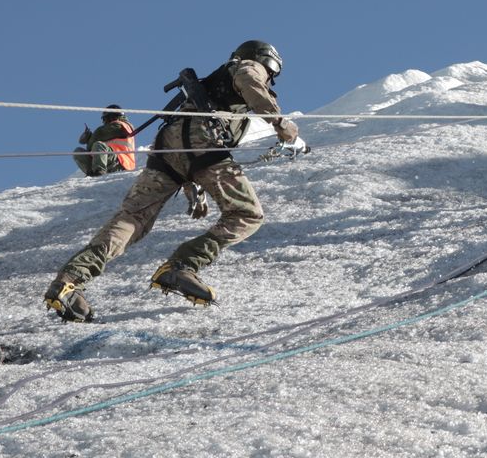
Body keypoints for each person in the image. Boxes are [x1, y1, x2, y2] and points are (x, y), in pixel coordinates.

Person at [43, 40, 304, 322]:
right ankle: (181, 266)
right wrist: (281, 125)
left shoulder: (213, 82)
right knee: (246, 214)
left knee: (134, 218)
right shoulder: (247, 67)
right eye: (272, 71)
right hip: (203, 142)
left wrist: (194, 185)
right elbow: (250, 82)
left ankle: (70, 281)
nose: (270, 76)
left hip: (168, 146)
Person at [72, 105, 138, 177]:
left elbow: (100, 134)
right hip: (108, 160)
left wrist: (90, 138)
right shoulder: (109, 130)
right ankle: (92, 174)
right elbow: (93, 143)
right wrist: (90, 140)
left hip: (120, 162)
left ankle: (99, 172)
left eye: (105, 119)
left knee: (98, 145)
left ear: (111, 117)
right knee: (78, 152)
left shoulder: (121, 125)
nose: (104, 122)